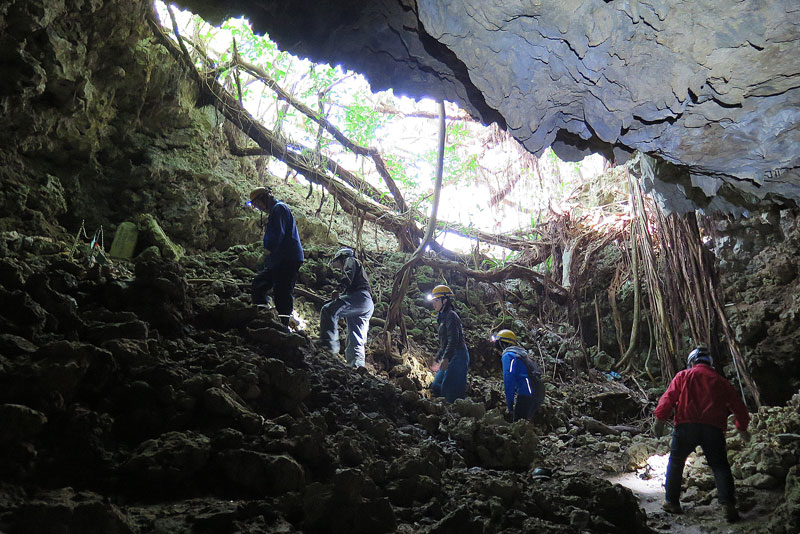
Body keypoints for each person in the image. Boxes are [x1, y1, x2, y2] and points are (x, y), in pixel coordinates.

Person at [654, 346, 751, 523]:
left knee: (676, 462)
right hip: (713, 429)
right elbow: (738, 406)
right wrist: (742, 428)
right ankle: (727, 504)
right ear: (710, 363)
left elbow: (668, 398)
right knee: (720, 466)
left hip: (686, 426)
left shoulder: (683, 376)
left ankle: (672, 502)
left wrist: (660, 419)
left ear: (692, 362)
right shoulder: (720, 381)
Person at [248, 187, 304, 329]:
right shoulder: (277, 210)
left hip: (287, 258)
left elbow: (277, 236)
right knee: (259, 284)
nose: (258, 208)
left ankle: (283, 326)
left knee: (282, 290)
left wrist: (267, 251)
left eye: (257, 203)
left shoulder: (278, 209)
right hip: (281, 258)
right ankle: (262, 316)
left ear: (264, 199)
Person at [318, 248, 374, 368]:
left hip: (359, 297)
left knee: (328, 310)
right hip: (367, 303)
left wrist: (338, 289)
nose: (341, 267)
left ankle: (328, 348)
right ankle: (357, 367)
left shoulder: (350, 259)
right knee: (356, 336)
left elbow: (348, 274)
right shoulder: (359, 269)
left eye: (340, 264)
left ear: (342, 257)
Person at [427, 284, 470, 402]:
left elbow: (453, 341)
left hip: (459, 355)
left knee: (450, 390)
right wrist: (437, 360)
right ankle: (444, 410)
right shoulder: (442, 317)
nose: (433, 303)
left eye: (436, 300)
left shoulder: (451, 316)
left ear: (444, 300)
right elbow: (444, 344)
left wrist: (445, 359)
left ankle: (457, 414)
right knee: (436, 385)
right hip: (450, 354)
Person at [492, 329, 544, 421]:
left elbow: (509, 381)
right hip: (539, 392)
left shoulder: (508, 356)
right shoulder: (521, 355)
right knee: (525, 424)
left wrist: (510, 405)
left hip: (527, 394)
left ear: (502, 344)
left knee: (518, 424)